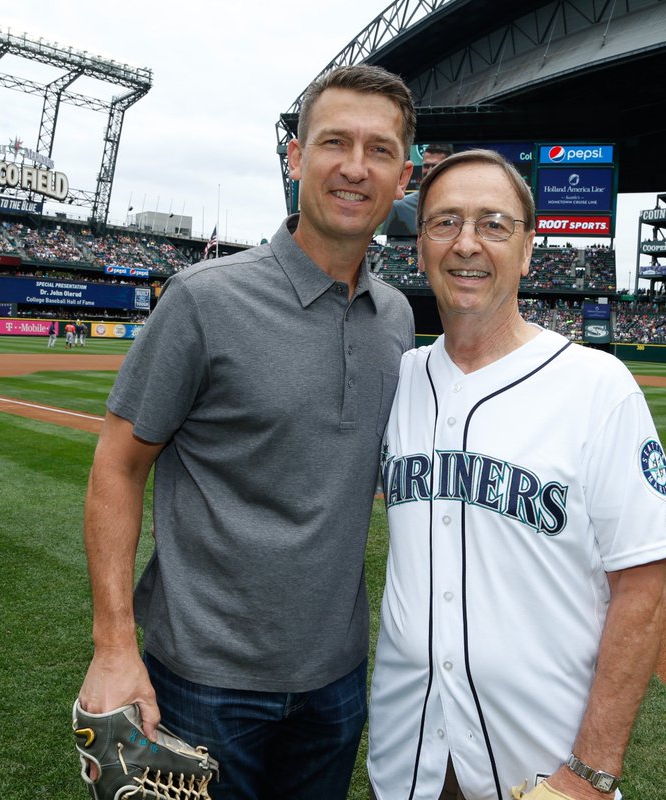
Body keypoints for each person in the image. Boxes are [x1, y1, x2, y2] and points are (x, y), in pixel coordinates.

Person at [77, 63, 417, 800]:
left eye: (380, 150)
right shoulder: (204, 300)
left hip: (335, 684)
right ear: (295, 159)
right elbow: (117, 466)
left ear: (404, 176)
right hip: (202, 682)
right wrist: (113, 646)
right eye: (334, 143)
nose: (355, 167)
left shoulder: (396, 319)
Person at [367, 150, 666, 800]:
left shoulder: (598, 386)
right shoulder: (397, 382)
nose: (467, 244)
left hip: (543, 767)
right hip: (406, 760)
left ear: (527, 249)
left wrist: (593, 773)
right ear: (420, 246)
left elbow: (642, 587)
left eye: (494, 224)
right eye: (445, 223)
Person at [383, 144, 453, 238]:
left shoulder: (464, 204)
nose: (430, 171)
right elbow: (390, 241)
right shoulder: (400, 207)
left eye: (436, 166)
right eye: (426, 166)